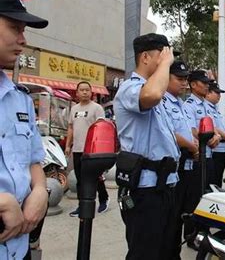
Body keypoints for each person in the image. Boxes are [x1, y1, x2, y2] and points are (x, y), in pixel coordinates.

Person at [113, 33, 180, 259]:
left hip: (166, 185)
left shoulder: (158, 91)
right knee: (145, 252)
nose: (167, 64)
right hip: (145, 189)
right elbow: (151, 94)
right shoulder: (131, 88)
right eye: (163, 58)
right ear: (145, 57)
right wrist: (165, 65)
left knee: (168, 251)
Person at [0, 0, 49, 260]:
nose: (23, 39)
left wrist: (40, 191)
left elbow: (32, 160)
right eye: (15, 27)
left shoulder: (21, 100)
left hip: (19, 250)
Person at [162, 60, 200, 258]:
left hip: (186, 160)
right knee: (173, 215)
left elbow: (186, 129)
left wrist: (193, 143)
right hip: (173, 164)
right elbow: (169, 132)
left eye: (186, 79)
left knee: (185, 207)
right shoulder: (162, 102)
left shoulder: (179, 103)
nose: (184, 83)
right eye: (179, 79)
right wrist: (191, 145)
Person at [66, 81, 109, 217]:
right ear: (77, 93)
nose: (85, 92)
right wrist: (68, 145)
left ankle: (103, 199)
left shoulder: (97, 108)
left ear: (91, 92)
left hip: (92, 150)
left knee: (95, 177)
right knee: (80, 179)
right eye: (82, 90)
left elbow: (102, 128)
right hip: (78, 149)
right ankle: (81, 205)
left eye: (87, 90)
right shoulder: (74, 109)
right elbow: (71, 128)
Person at [183, 70, 221, 189]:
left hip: (209, 155)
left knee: (209, 189)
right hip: (198, 157)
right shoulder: (188, 105)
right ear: (193, 85)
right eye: (204, 83)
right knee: (197, 194)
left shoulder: (206, 105)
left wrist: (217, 136)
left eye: (208, 83)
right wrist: (207, 139)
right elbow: (191, 130)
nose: (207, 86)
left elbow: (213, 127)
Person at [205, 81, 225, 187]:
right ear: (208, 93)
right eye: (216, 93)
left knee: (218, 179)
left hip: (222, 148)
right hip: (215, 149)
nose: (219, 96)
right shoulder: (206, 107)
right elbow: (213, 127)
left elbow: (221, 126)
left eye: (220, 93)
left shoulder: (214, 108)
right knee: (214, 181)